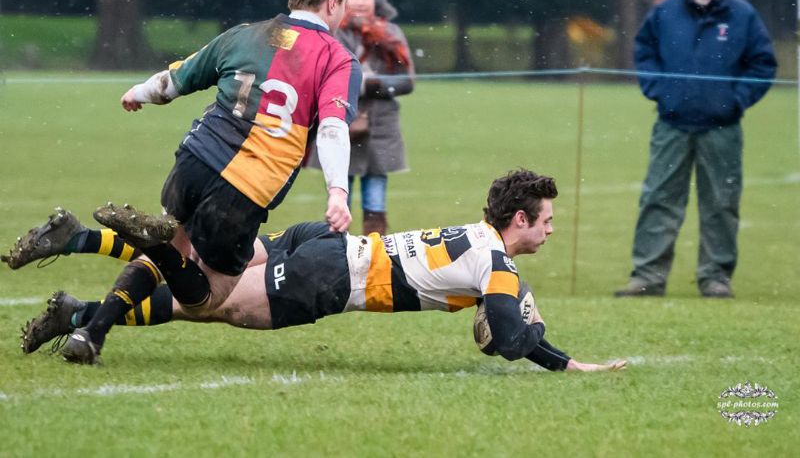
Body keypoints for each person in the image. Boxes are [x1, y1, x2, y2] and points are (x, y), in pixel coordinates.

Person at [49, 0, 363, 363]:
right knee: (207, 297)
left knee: (171, 251)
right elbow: (332, 127)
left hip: (194, 160)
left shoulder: (247, 33)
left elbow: (176, 79)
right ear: (333, 2)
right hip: (242, 191)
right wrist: (338, 191)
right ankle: (146, 247)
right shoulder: (337, 59)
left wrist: (138, 93)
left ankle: (91, 334)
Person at [12, 170, 625, 372]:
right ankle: (150, 255)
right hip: (328, 279)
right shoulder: (496, 265)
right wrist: (542, 340)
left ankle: (80, 303)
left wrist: (555, 349)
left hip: (323, 243)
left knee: (205, 282)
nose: (551, 229)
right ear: (521, 219)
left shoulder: (483, 240)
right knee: (203, 301)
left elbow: (508, 326)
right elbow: (508, 345)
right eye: (546, 220)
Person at [614, 0, 777, 298]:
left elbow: (763, 65)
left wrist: (736, 100)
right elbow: (644, 52)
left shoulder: (743, 16)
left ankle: (715, 277)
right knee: (658, 199)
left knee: (721, 203)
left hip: (723, 129)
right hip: (672, 124)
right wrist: (660, 90)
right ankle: (647, 276)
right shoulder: (664, 13)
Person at [308, 0, 414, 236]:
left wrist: (370, 84)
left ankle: (374, 255)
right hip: (341, 119)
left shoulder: (391, 34)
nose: (360, 1)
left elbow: (407, 81)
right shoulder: (331, 31)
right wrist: (359, 81)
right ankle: (336, 253)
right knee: (339, 192)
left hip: (381, 128)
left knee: (375, 202)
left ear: (376, 0)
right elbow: (320, 71)